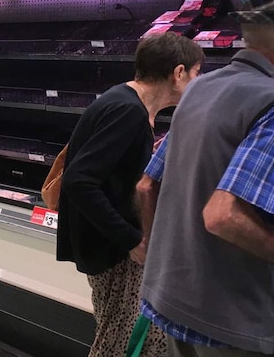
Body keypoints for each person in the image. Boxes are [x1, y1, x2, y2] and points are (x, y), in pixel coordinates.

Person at [138, 0, 274, 357]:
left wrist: (159, 258)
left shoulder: (200, 89)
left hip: (171, 303)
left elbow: (147, 185)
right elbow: (223, 215)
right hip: (232, 325)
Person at [57, 32, 204, 357]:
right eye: (196, 73)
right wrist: (130, 240)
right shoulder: (129, 112)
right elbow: (79, 180)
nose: (198, 81)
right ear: (178, 74)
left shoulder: (124, 100)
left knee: (130, 340)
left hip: (108, 246)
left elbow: (106, 169)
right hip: (115, 252)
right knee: (118, 345)